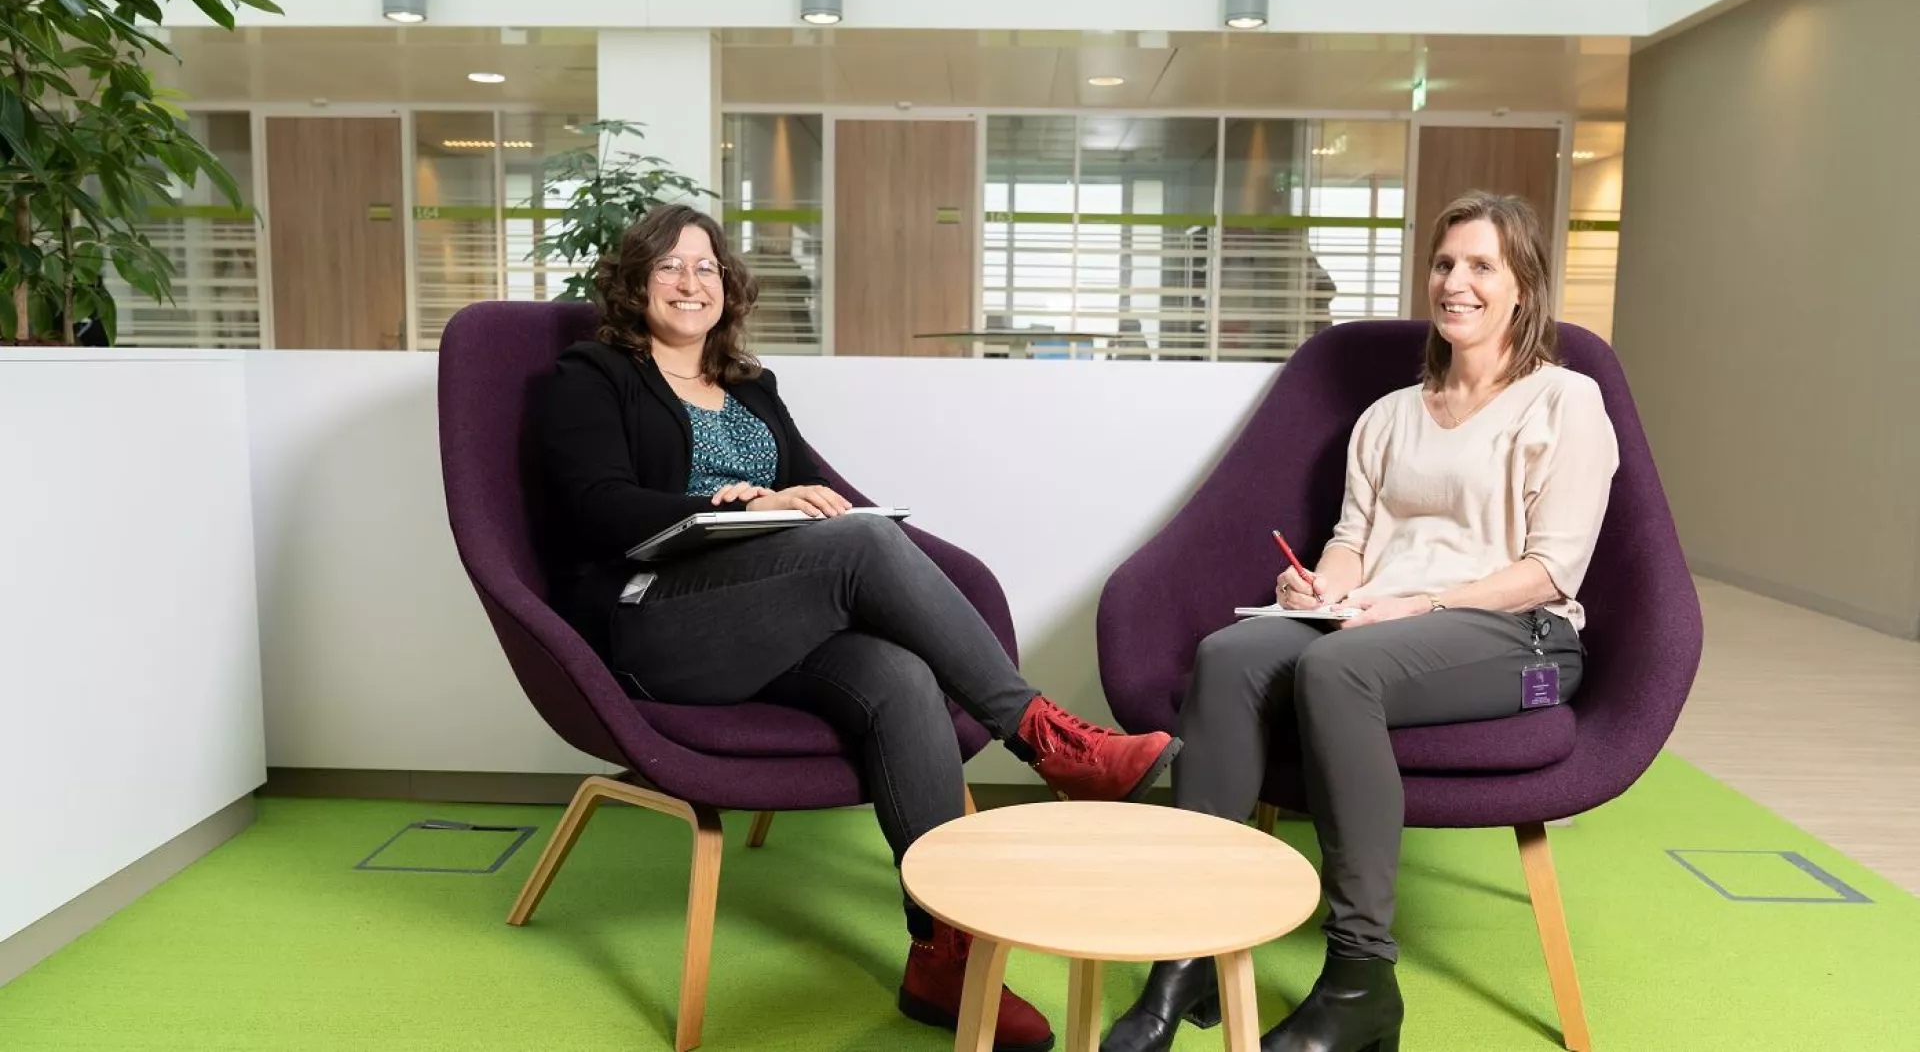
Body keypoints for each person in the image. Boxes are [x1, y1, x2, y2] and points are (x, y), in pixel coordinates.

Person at [537, 202, 1181, 1052]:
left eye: (706, 266)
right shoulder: (592, 375)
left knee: (900, 677)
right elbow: (593, 507)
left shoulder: (752, 389)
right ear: (635, 283)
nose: (690, 282)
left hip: (766, 619)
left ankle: (944, 953)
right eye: (669, 266)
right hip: (659, 623)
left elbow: (816, 493)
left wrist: (794, 503)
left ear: (728, 286)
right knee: (864, 547)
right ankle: (1046, 739)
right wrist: (734, 506)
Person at [1102, 191, 1619, 1052]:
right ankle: (1191, 947)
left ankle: (1359, 980)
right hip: (1377, 618)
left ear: (1523, 285)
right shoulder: (1388, 415)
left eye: (1481, 265)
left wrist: (1419, 603)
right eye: (1445, 263)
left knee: (1336, 669)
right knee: (1228, 655)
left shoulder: (1566, 401)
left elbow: (1550, 569)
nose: (1455, 282)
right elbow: (1353, 542)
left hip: (1518, 633)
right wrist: (1316, 586)